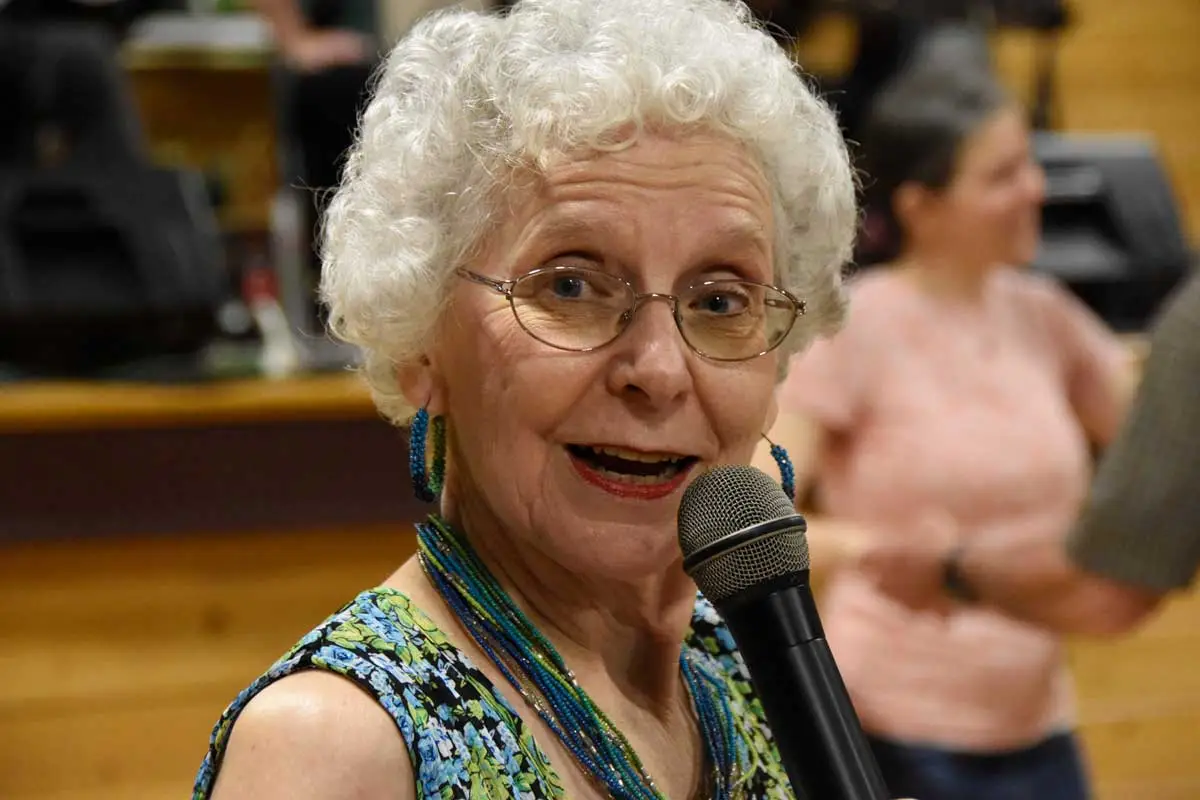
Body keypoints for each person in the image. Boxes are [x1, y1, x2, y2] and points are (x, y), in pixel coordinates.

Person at [191, 1, 871, 797]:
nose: (659, 369)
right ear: (419, 341)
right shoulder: (332, 746)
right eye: (571, 286)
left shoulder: (749, 669)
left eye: (721, 300)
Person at [763, 63, 1133, 799]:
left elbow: (1163, 455)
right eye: (1003, 175)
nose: (1035, 188)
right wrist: (882, 551)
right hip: (894, 732)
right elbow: (762, 518)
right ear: (922, 206)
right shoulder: (856, 326)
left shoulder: (1047, 315)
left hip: (1039, 725)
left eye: (1029, 164)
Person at [871, 270, 1200, 635]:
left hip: (1008, 615)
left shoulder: (1048, 312)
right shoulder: (867, 316)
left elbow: (1102, 592)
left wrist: (951, 566)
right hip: (897, 634)